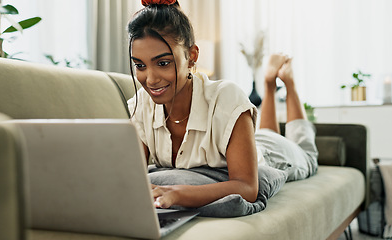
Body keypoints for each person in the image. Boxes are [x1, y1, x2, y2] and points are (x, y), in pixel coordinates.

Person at [127, 0, 318, 212]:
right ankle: (270, 86)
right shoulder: (140, 105)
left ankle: (286, 83)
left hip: (274, 156)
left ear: (192, 57)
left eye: (163, 63)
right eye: (140, 65)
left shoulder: (226, 97)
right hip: (246, 143)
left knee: (307, 153)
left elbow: (247, 187)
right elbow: (130, 178)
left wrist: (178, 193)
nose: (150, 79)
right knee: (265, 133)